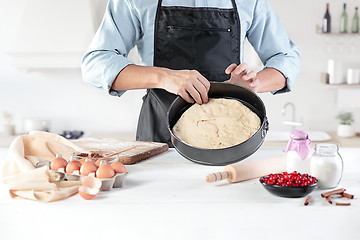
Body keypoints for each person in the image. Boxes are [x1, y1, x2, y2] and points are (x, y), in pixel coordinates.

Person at [81, 0, 301, 146]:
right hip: (160, 141)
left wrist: (254, 84)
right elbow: (95, 62)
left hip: (229, 143)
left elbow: (287, 58)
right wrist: (164, 77)